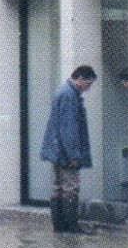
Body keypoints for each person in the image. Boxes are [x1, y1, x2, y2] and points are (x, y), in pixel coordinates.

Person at [39, 65, 96, 233]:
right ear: (80, 79)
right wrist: (74, 155)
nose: (89, 87)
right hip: (65, 152)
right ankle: (72, 227)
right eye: (89, 83)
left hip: (57, 150)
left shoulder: (64, 92)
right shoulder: (69, 95)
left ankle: (60, 226)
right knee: (71, 187)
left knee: (59, 187)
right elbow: (69, 128)